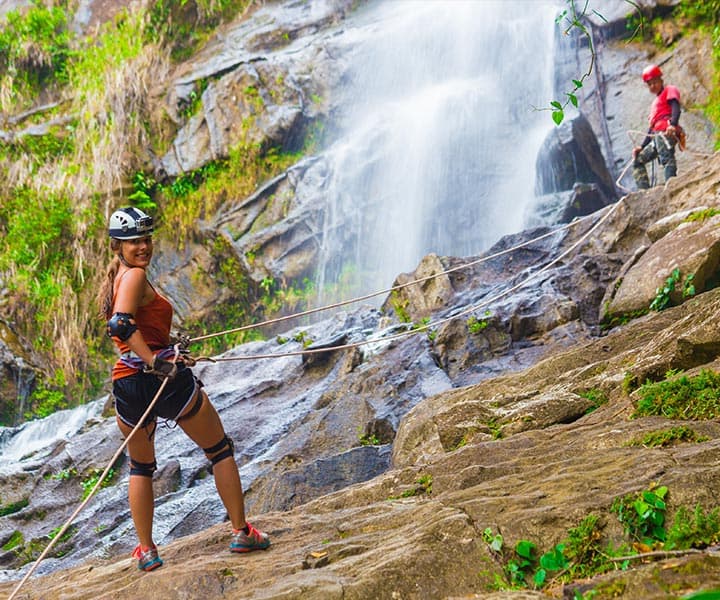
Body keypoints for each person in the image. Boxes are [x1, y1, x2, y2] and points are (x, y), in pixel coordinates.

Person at [97, 206, 269, 572]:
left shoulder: (121, 277)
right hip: (160, 379)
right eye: (133, 242)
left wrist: (167, 347)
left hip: (127, 384)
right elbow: (120, 325)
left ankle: (146, 550)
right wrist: (158, 362)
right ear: (117, 247)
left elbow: (136, 330)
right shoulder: (134, 277)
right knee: (219, 449)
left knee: (141, 466)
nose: (142, 247)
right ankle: (241, 531)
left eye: (146, 239)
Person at [632, 64, 684, 189]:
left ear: (661, 80)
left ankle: (671, 187)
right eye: (649, 84)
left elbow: (676, 108)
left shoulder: (669, 90)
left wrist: (673, 125)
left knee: (666, 158)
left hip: (666, 132)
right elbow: (652, 128)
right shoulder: (655, 104)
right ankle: (644, 192)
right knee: (638, 161)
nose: (652, 86)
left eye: (655, 82)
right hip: (657, 136)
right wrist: (642, 146)